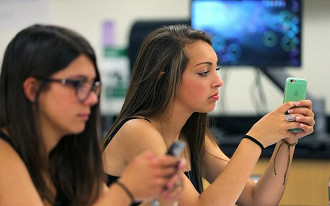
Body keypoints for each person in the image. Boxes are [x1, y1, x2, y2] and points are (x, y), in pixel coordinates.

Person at [102, 24, 315, 205]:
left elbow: (258, 200)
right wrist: (255, 139)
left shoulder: (191, 136)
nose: (218, 81)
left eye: (217, 69)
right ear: (164, 80)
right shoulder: (138, 130)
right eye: (204, 72)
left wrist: (288, 141)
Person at [0, 24, 185, 206]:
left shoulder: (68, 152)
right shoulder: (4, 153)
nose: (91, 99)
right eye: (77, 84)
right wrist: (126, 189)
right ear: (32, 90)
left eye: (93, 86)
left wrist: (159, 199)